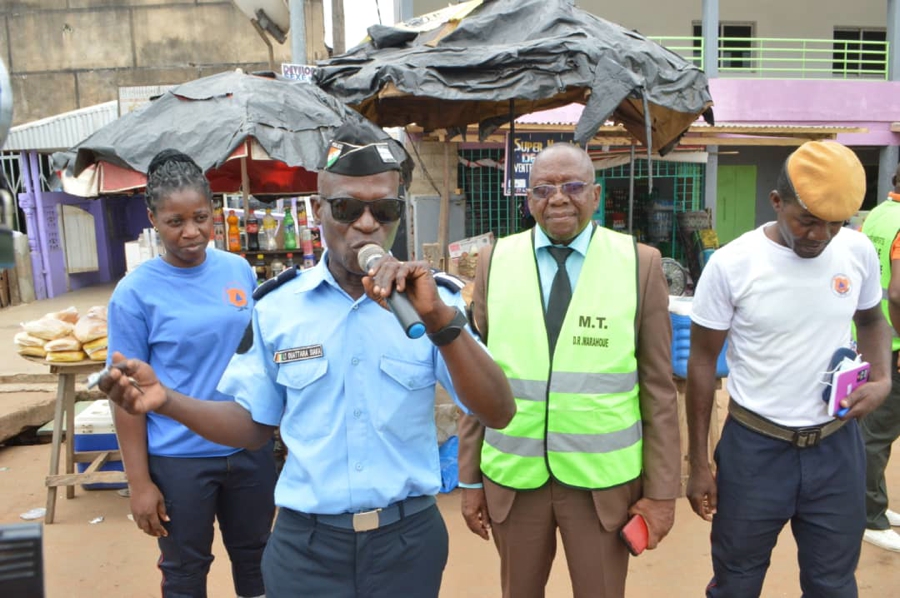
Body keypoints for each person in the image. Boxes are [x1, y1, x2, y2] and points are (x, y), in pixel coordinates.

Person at [100, 123, 516, 598]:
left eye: (384, 209)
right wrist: (168, 401)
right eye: (346, 208)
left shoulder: (432, 302)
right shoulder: (277, 306)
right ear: (319, 210)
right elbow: (252, 425)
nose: (365, 224)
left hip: (407, 542)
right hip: (308, 549)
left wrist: (441, 321)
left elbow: (498, 410)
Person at [457, 142, 680, 598]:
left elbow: (658, 389)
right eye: (543, 189)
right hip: (515, 480)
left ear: (595, 195)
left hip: (601, 486)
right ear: (528, 200)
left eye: (573, 186)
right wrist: (469, 480)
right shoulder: (494, 261)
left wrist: (661, 493)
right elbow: (476, 375)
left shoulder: (639, 264)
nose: (558, 198)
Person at [686, 140, 893, 597]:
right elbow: (701, 363)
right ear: (776, 202)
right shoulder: (732, 265)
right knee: (737, 582)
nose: (820, 235)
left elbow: (872, 319)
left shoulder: (855, 252)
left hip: (837, 451)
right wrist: (698, 462)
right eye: (807, 220)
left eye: (834, 224)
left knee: (833, 585)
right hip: (755, 452)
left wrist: (881, 378)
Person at [107, 149, 277, 598]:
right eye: (174, 222)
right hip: (179, 460)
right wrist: (139, 483)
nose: (191, 232)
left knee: (260, 558)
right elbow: (125, 397)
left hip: (247, 448)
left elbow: (256, 358)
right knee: (185, 569)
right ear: (152, 219)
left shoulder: (238, 269)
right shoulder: (134, 294)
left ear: (213, 210)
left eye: (200, 217)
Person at [859, 162, 900, 552]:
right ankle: (869, 516)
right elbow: (898, 293)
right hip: (893, 343)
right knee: (879, 434)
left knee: (876, 430)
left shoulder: (880, 214)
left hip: (872, 339)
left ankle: (876, 505)